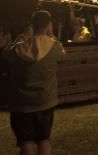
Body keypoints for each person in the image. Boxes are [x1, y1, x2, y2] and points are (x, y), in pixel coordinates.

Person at [4, 10, 66, 155]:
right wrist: (51, 35)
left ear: (32, 25)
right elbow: (62, 57)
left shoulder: (18, 48)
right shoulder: (56, 47)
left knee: (26, 142)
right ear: (49, 25)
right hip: (45, 100)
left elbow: (5, 54)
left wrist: (23, 37)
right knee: (44, 139)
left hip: (21, 102)